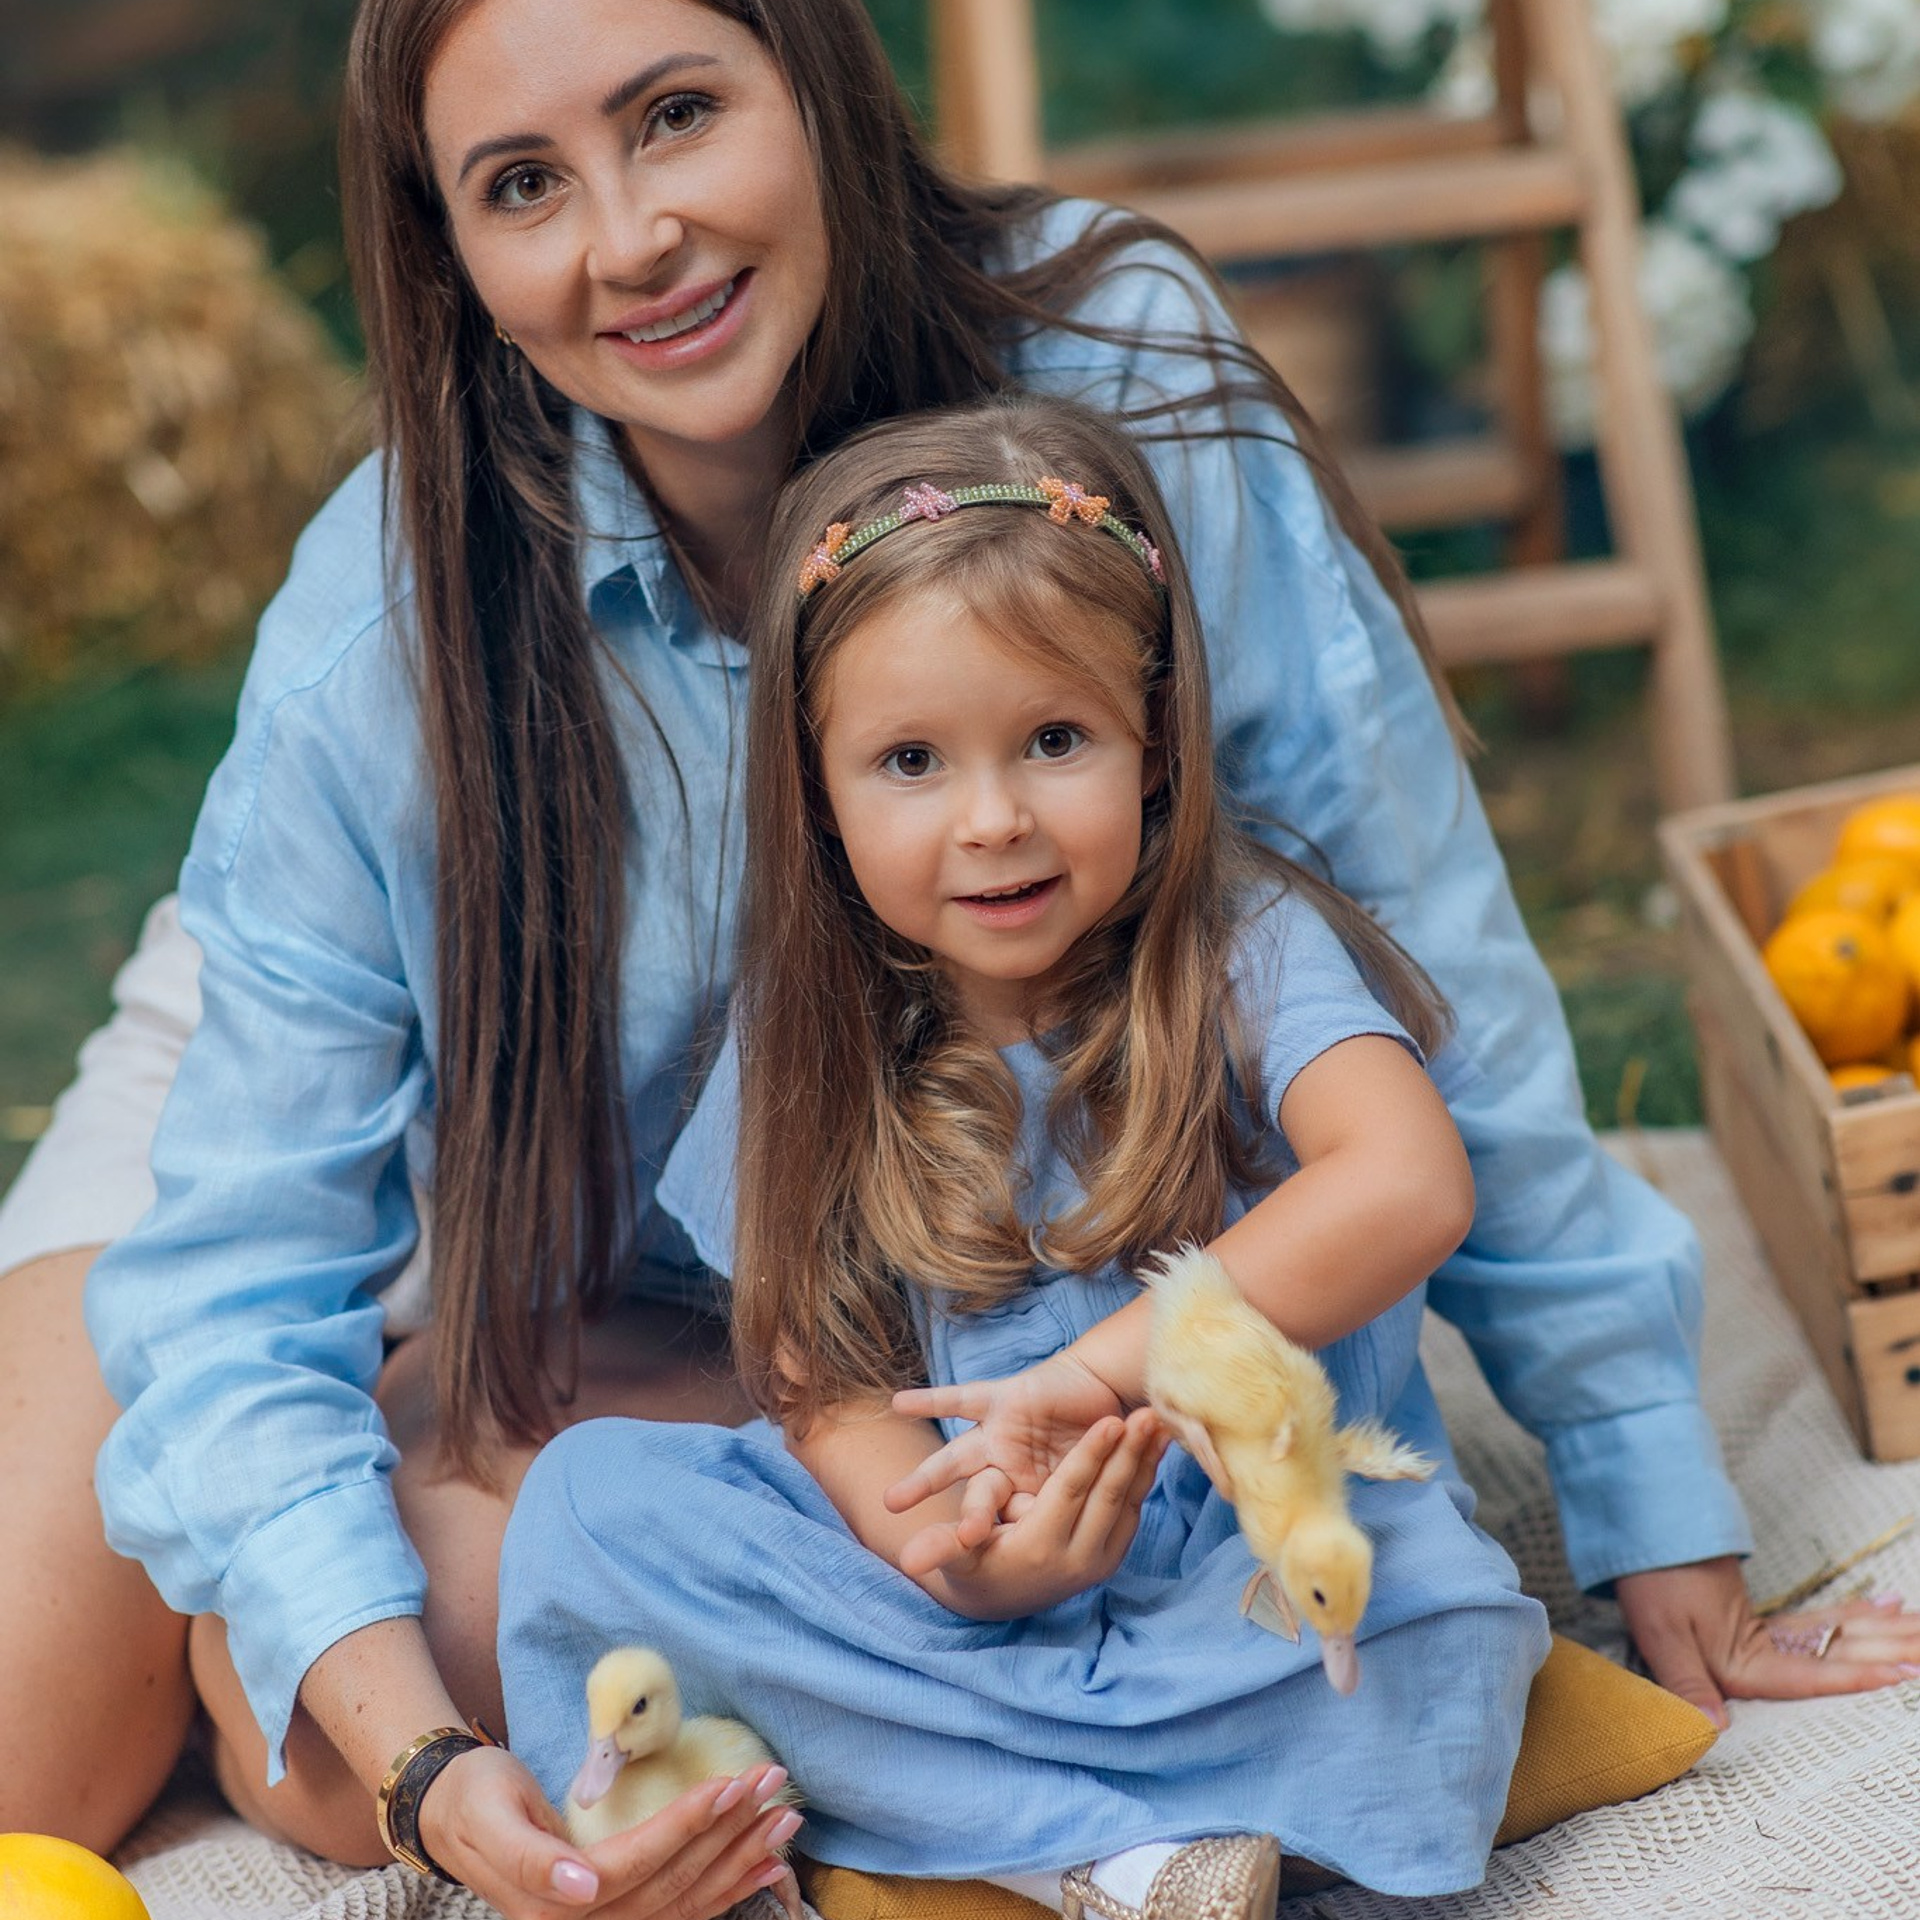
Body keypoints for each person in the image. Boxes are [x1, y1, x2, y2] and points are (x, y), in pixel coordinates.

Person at [1, 0, 1914, 1910]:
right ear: (449, 248)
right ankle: (292, 1637)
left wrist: (1651, 1501)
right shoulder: (385, 629)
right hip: (474, 1170)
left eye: (676, 114)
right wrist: (417, 1764)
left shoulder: (1115, 366)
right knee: (108, 1743)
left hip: (897, 1283)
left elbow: (1428, 962)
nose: (630, 241)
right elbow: (244, 1262)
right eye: (521, 185)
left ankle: (1026, 1810)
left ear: (815, 78)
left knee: (479, 1640)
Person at [496, 391, 1553, 1913]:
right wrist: (963, 1556)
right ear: (816, 790)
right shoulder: (807, 1030)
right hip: (970, 1598)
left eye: (1055, 740)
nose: (992, 819)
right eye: (911, 761)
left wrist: (1099, 1379)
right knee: (589, 1508)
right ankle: (1113, 1855)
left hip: (1234, 1587)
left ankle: (997, 1829)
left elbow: (1407, 1184)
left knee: (1424, 1601)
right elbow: (818, 1380)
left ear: (1155, 743)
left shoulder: (1243, 948)